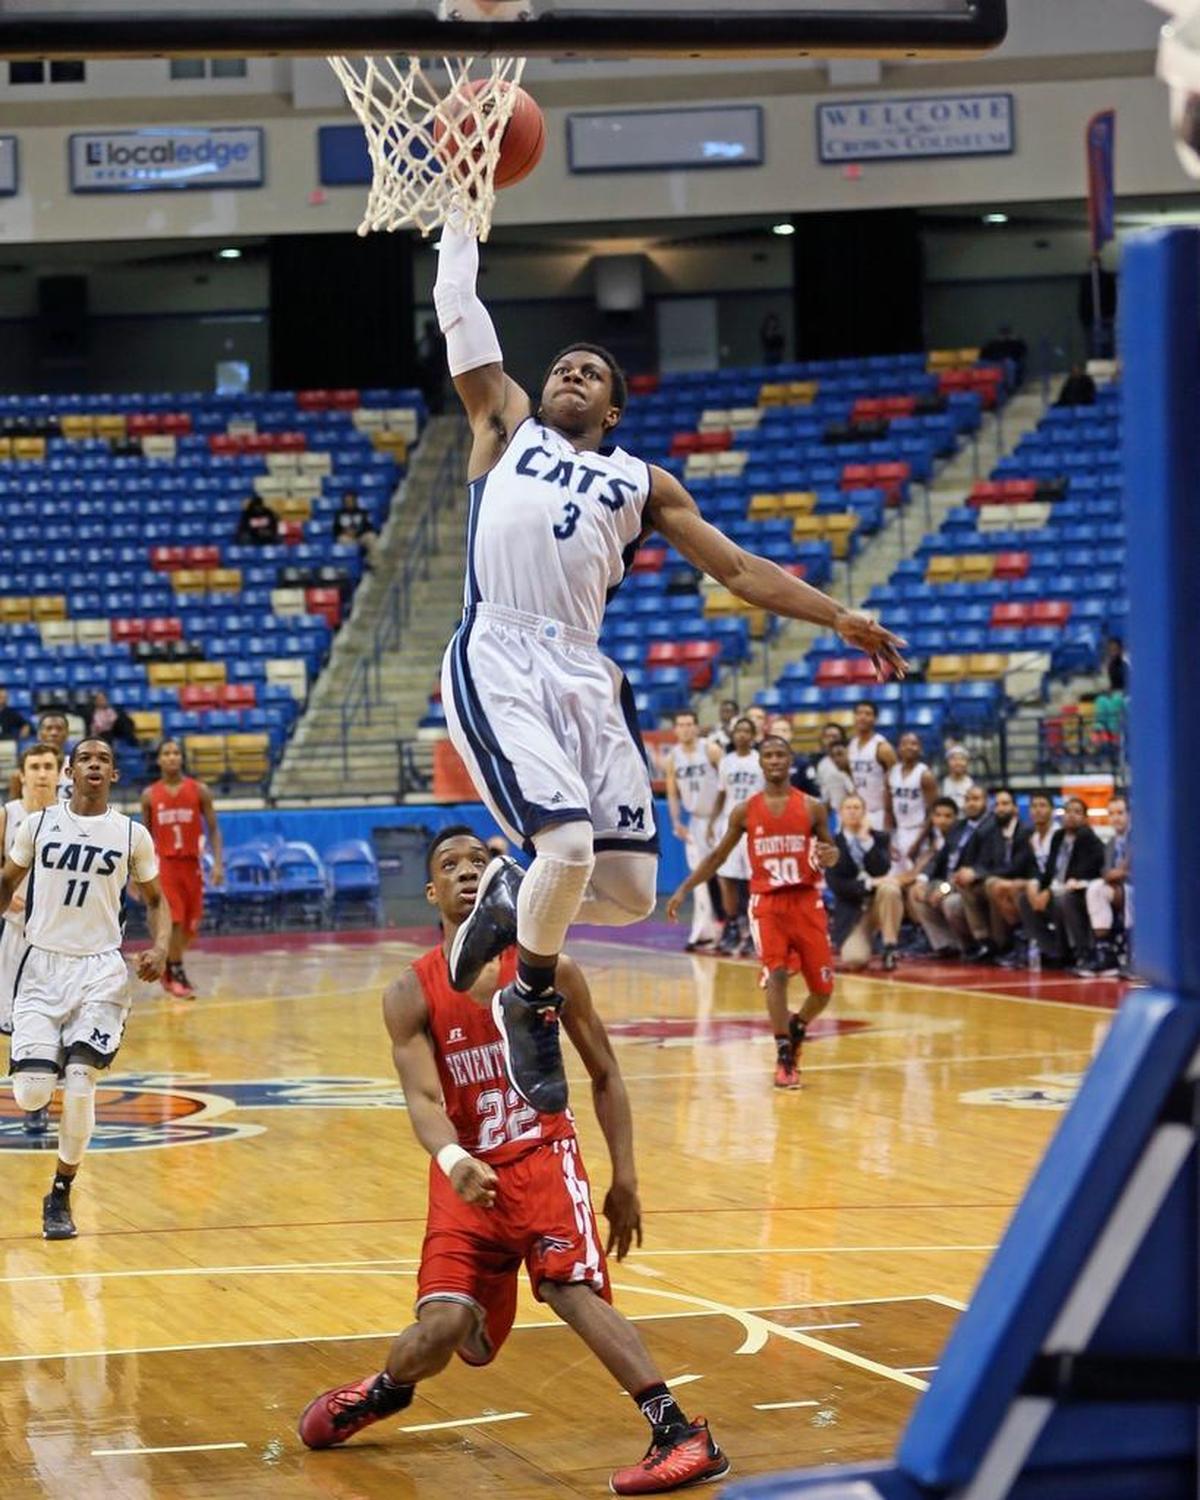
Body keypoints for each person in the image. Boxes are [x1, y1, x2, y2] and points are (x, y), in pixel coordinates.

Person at [430, 214, 905, 1115]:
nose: (569, 373)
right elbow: (458, 303)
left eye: (591, 372)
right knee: (566, 846)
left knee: (626, 890)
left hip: (584, 671)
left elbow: (738, 570)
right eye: (562, 364)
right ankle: (528, 1001)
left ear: (612, 411)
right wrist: (462, 208)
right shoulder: (506, 425)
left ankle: (507, 888)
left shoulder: (643, 482)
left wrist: (838, 613)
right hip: (499, 644)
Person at [298, 827, 729, 1495]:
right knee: (443, 1330)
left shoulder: (550, 971)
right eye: (452, 864)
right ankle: (387, 1390)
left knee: (565, 1287)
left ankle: (681, 1433)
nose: (469, 871)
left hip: (542, 1156)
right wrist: (449, 1157)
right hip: (467, 1176)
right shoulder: (409, 993)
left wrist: (626, 1179)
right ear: (431, 891)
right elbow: (421, 1098)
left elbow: (607, 1075)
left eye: (481, 860)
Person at [0, 739, 169, 1240]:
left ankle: (60, 1193)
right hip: (41, 966)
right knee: (31, 1095)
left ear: (113, 775)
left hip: (100, 969)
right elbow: (6, 881)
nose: (95, 765)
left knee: (79, 1085)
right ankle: (44, 1062)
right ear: (70, 771)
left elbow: (158, 901)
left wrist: (160, 948)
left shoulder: (131, 835)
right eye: (86, 759)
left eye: (104, 760)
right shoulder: (36, 825)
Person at [666, 737, 838, 1089]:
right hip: (768, 905)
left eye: (781, 754)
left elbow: (830, 850)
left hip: (806, 901)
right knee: (775, 974)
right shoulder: (744, 810)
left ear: (790, 760)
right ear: (761, 763)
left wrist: (831, 855)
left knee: (822, 990)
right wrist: (684, 888)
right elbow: (717, 857)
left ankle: (798, 1026)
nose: (775, 760)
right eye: (769, 755)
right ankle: (785, 1055)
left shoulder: (812, 808)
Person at [0, 741, 63, 1137]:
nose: (42, 773)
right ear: (22, 773)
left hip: (58, 941)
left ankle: (39, 1106)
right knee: (18, 1027)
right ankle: (29, 1097)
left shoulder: (70, 819)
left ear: (60, 774)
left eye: (48, 766)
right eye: (35, 766)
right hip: (17, 934)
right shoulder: (7, 816)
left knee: (51, 1027)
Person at [141, 739, 224, 1000]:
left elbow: (213, 829)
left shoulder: (199, 791)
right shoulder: (149, 795)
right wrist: (137, 873)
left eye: (176, 753)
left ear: (182, 758)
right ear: (159, 760)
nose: (172, 757)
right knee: (173, 921)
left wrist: (218, 862)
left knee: (190, 926)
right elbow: (144, 836)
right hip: (167, 865)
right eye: (166, 753)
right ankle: (176, 972)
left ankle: (169, 966)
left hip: (193, 865)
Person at [1018, 796, 1106, 968]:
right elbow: (1050, 871)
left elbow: (1080, 873)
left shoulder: (1088, 838)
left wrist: (1049, 892)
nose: (1071, 815)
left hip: (1079, 893)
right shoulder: (1058, 837)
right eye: (1068, 811)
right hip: (1056, 888)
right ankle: (1050, 950)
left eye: (1077, 812)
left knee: (1062, 900)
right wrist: (1038, 887)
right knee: (1025, 899)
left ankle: (1077, 952)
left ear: (1085, 818)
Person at [664, 709, 723, 952]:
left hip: (720, 817)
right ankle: (707, 930)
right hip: (697, 820)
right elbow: (672, 792)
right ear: (676, 729)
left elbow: (726, 782)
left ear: (697, 727)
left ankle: (730, 924)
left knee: (726, 874)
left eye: (689, 724)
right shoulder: (673, 758)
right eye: (681, 724)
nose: (686, 728)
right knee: (702, 876)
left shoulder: (711, 749)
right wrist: (676, 821)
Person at [708, 717, 767, 956]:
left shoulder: (760, 760)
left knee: (755, 880)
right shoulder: (726, 762)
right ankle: (732, 925)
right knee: (726, 878)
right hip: (729, 824)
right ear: (733, 735)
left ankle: (756, 928)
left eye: (746, 730)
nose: (742, 734)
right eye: (738, 731)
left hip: (755, 825)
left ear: (753, 735)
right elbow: (722, 794)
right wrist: (713, 821)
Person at [826, 792, 903, 972]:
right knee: (855, 960)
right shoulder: (831, 844)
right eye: (848, 808)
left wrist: (866, 840)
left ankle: (890, 947)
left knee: (890, 888)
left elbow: (882, 869)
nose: (853, 812)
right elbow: (837, 885)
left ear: (864, 812)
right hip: (852, 909)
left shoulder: (879, 838)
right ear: (840, 813)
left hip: (879, 904)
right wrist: (869, 884)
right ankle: (866, 939)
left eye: (857, 808)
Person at [987, 790, 1056, 967]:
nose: (1038, 810)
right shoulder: (1031, 837)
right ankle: (1022, 939)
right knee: (1009, 890)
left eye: (1042, 806)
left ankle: (1046, 946)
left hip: (1056, 885)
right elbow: (1031, 868)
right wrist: (1031, 883)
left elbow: (1058, 869)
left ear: (1052, 810)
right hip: (1038, 884)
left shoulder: (1058, 834)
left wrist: (1043, 887)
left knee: (1019, 892)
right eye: (1034, 806)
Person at [1074, 793, 1131, 977]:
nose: (1116, 817)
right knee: (1095, 888)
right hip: (1117, 888)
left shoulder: (1142, 838)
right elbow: (1106, 873)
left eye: (1120, 813)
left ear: (1130, 815)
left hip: (1139, 888)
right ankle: (1104, 951)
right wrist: (1116, 874)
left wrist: (1123, 873)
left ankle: (1129, 953)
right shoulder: (1111, 843)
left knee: (1124, 891)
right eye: (1112, 813)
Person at [898, 797, 961, 958]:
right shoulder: (939, 840)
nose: (942, 820)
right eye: (938, 815)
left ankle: (965, 944)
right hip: (946, 884)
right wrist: (921, 881)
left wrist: (944, 889)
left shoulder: (962, 838)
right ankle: (942, 944)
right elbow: (932, 865)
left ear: (956, 818)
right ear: (932, 818)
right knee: (916, 891)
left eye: (948, 816)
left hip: (959, 886)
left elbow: (958, 874)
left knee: (946, 898)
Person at [887, 732, 937, 867]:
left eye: (913, 744)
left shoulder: (925, 775)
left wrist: (918, 843)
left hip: (919, 830)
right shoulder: (892, 773)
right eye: (904, 743)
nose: (909, 747)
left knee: (917, 880)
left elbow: (934, 812)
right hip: (898, 832)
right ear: (898, 748)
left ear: (920, 749)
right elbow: (888, 810)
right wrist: (889, 839)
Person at [847, 701, 896, 833]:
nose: (862, 717)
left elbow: (896, 782)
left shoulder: (882, 747)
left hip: (879, 812)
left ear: (875, 719)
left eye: (868, 714)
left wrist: (889, 814)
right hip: (859, 811)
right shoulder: (852, 744)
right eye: (859, 713)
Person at [8, 711, 71, 801]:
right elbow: (13, 810)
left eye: (59, 729)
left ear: (67, 733)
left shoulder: (75, 766)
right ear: (39, 733)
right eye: (49, 728)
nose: (54, 733)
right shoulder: (21, 772)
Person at [331, 490, 378, 564]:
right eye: (346, 501)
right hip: (347, 538)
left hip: (360, 537)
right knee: (342, 539)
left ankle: (374, 563)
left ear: (355, 501)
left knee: (372, 536)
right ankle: (355, 563)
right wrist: (345, 532)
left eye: (350, 501)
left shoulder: (363, 513)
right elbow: (335, 530)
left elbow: (369, 527)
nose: (348, 503)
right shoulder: (339, 514)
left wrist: (357, 532)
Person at [941, 744, 975, 813]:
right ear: (947, 762)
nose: (958, 763)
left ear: (967, 763)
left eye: (962, 759)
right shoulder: (941, 784)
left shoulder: (973, 784)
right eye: (953, 759)